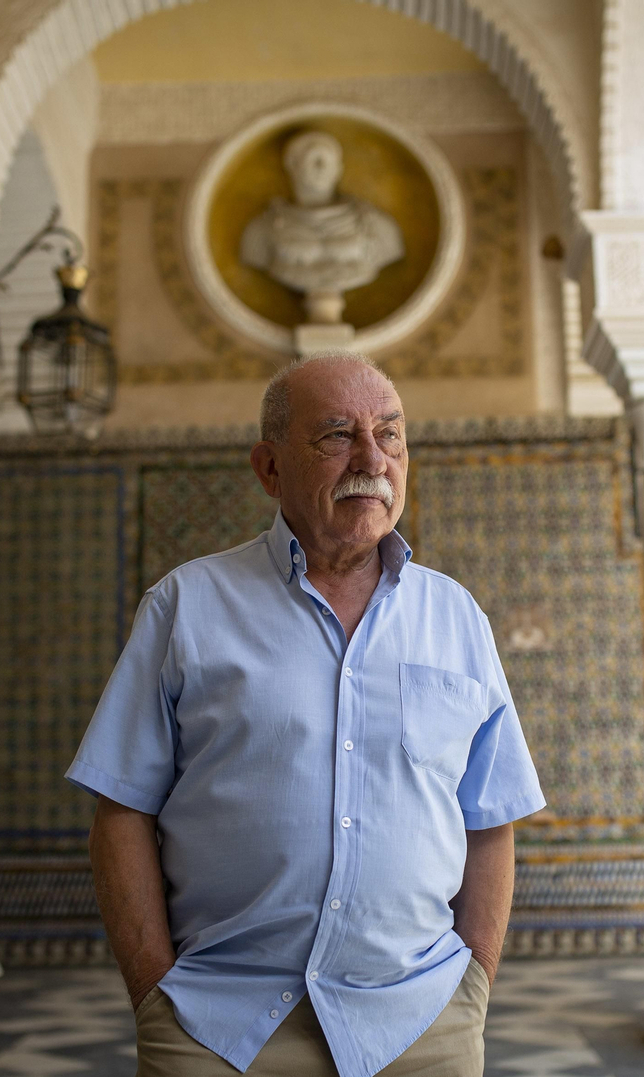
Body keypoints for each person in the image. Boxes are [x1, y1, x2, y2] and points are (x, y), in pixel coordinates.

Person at [67, 352, 545, 1077]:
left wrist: (471, 986)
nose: (371, 458)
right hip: (219, 1029)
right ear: (269, 467)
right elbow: (120, 811)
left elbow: (492, 817)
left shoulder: (457, 617)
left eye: (389, 435)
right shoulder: (187, 606)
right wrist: (154, 994)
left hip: (419, 1022)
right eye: (335, 435)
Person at [240, 131, 405, 326]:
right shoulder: (263, 228)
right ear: (292, 165)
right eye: (313, 159)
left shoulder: (375, 225)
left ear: (339, 168)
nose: (321, 167)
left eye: (327, 160)